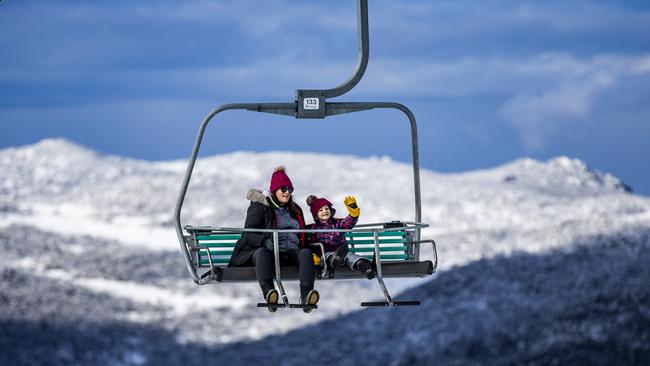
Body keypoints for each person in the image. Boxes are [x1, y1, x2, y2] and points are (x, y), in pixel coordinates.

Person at [228, 167, 318, 313]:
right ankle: (270, 293)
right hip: (267, 253)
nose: (287, 192)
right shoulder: (261, 208)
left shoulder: (296, 210)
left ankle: (306, 295)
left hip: (290, 252)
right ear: (275, 190)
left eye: (290, 189)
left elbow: (303, 234)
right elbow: (248, 234)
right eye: (283, 188)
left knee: (305, 253)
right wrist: (264, 241)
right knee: (262, 252)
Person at [306, 195, 375, 279]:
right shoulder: (314, 229)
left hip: (343, 252)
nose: (325, 211)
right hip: (325, 255)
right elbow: (310, 243)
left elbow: (348, 223)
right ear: (316, 214)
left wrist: (353, 213)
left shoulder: (338, 223)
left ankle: (363, 266)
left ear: (330, 210)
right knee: (329, 256)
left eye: (327, 209)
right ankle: (336, 260)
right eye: (320, 210)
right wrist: (313, 254)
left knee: (351, 257)